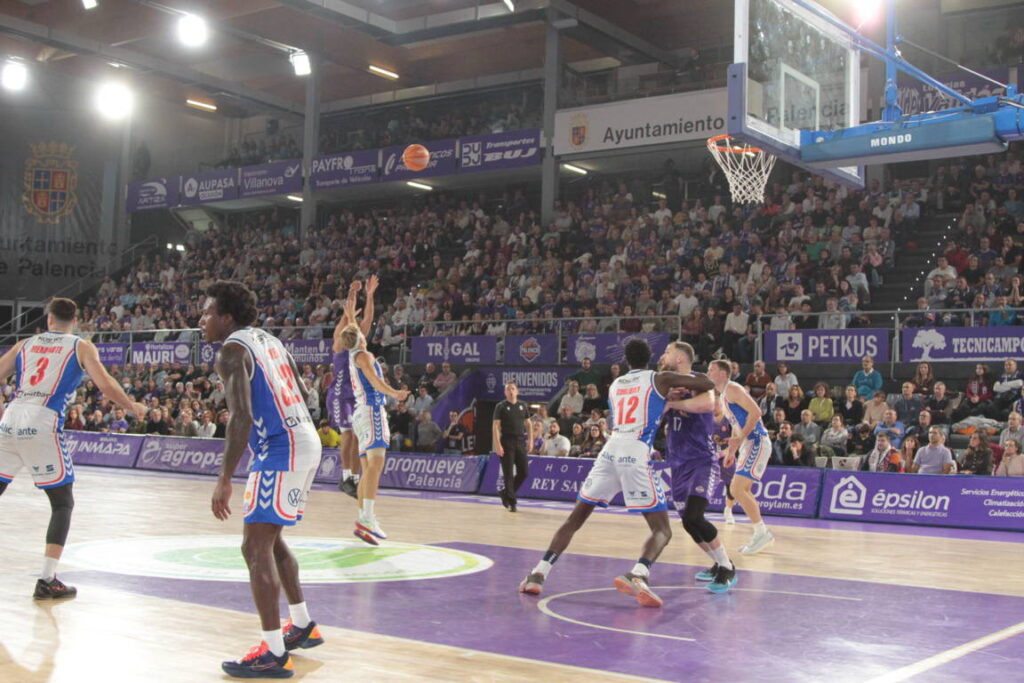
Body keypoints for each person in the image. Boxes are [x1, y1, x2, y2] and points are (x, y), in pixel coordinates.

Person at [518, 339, 714, 607]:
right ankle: (639, 573)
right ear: (650, 358)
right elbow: (707, 385)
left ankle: (538, 574)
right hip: (635, 451)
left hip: (609, 451)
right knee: (662, 531)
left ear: (626, 360)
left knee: (574, 519)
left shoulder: (615, 385)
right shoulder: (661, 378)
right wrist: (680, 386)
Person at [201, 281, 325, 677]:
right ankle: (302, 624)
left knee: (254, 549)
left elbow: (239, 415)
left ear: (226, 318)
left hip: (280, 448)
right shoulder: (270, 340)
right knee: (269, 541)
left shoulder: (231, 351)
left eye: (207, 313)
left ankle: (273, 652)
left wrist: (225, 478)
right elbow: (304, 392)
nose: (201, 320)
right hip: (305, 438)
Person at [0, 297, 146, 600]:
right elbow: (105, 384)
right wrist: (131, 406)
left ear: (48, 319)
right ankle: (47, 579)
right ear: (75, 320)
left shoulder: (25, 344)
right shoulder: (81, 346)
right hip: (43, 420)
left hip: (11, 417)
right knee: (62, 503)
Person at [659, 343, 737, 593]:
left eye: (668, 352)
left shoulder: (699, 380)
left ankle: (727, 568)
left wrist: (675, 405)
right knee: (687, 522)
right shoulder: (667, 385)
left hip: (700, 460)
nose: (664, 356)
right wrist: (665, 402)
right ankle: (718, 563)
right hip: (677, 462)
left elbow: (705, 405)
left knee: (695, 515)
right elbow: (657, 417)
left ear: (681, 357)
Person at [338, 294, 410, 544]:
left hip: (360, 414)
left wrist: (352, 313)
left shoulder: (352, 352)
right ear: (360, 338)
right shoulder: (365, 357)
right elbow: (375, 382)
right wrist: (395, 394)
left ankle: (364, 519)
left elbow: (355, 328)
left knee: (368, 469)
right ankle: (367, 518)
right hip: (371, 411)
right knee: (376, 467)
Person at [708, 359, 775, 556]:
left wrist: (739, 439)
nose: (708, 372)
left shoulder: (733, 389)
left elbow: (756, 412)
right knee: (741, 490)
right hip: (746, 443)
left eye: (711, 370)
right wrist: (731, 451)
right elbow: (736, 427)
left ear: (722, 373)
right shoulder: (722, 397)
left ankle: (761, 532)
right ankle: (760, 532)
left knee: (737, 488)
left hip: (756, 440)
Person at [327, 277, 377, 499]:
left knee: (357, 437)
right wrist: (352, 293)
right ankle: (345, 476)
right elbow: (349, 315)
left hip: (355, 395)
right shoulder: (340, 342)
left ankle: (354, 479)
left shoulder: (359, 340)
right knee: (348, 435)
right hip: (339, 395)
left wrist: (371, 295)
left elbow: (368, 318)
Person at [493, 382, 534, 511]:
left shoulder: (522, 405)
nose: (510, 391)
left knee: (524, 471)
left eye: (513, 389)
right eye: (508, 389)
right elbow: (495, 426)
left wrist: (530, 440)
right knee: (508, 473)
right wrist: (497, 445)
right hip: (507, 441)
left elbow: (528, 424)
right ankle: (512, 502)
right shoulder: (501, 406)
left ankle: (505, 493)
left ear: (517, 391)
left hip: (520, 440)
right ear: (505, 392)